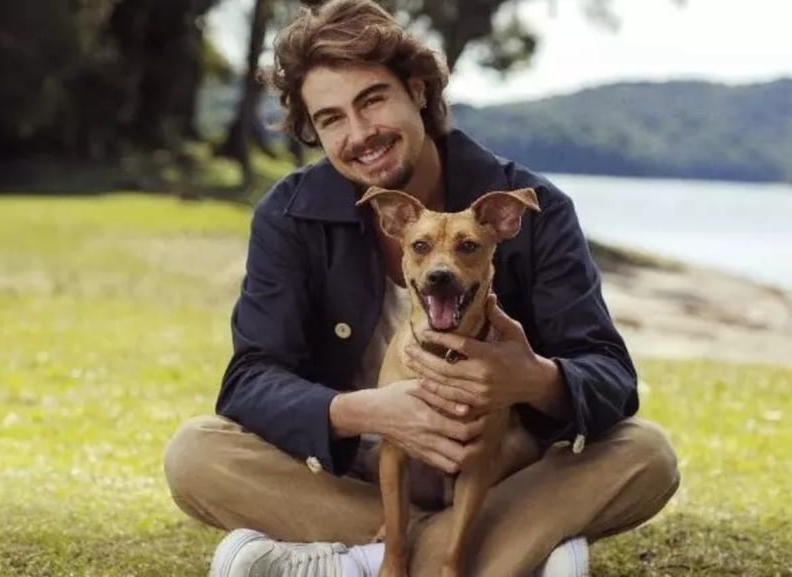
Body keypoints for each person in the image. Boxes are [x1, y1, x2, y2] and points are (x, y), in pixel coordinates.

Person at [163, 0, 680, 575]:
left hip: (501, 475)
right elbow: (249, 381)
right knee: (195, 454)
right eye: (332, 119)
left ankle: (367, 561)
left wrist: (532, 378)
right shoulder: (290, 215)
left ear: (417, 91)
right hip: (357, 480)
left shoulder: (529, 207)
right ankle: (499, 550)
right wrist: (366, 412)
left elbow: (611, 376)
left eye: (372, 100)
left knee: (646, 454)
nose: (360, 134)